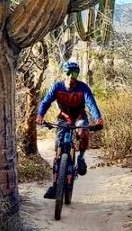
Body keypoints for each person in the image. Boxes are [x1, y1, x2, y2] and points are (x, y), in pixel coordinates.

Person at [37, 60, 103, 199]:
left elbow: (91, 104)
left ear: (77, 74)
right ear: (64, 73)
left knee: (83, 132)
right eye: (68, 73)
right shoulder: (57, 87)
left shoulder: (83, 88)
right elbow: (45, 102)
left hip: (79, 116)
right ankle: (56, 182)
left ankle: (81, 158)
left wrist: (98, 119)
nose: (71, 76)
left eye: (74, 73)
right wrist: (40, 116)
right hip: (64, 117)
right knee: (59, 145)